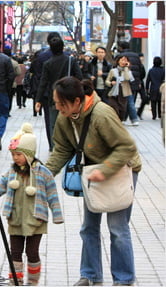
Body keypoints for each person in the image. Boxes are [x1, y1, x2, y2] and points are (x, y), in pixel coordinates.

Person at [45, 76, 141, 286]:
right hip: (93, 172)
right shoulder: (65, 117)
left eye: (61, 103)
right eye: (56, 102)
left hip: (120, 170)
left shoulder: (102, 114)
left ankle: (123, 279)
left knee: (117, 228)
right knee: (89, 226)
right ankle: (90, 275)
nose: (57, 107)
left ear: (77, 101)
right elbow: (61, 149)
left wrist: (105, 170)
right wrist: (44, 174)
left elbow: (127, 147)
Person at [0, 123, 63, 286]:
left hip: (37, 219)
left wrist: (57, 215)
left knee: (32, 252)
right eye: (13, 154)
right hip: (16, 218)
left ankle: (33, 281)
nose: (15, 158)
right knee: (15, 252)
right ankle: (15, 280)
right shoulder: (12, 173)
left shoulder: (43, 172)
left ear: (29, 154)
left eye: (18, 154)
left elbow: (52, 194)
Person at [35, 36, 82, 151]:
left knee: (54, 124)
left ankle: (55, 147)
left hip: (55, 98)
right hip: (70, 97)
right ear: (63, 47)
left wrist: (38, 100)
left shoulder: (48, 63)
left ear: (51, 48)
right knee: (71, 122)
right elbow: (79, 77)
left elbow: (43, 83)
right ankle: (70, 146)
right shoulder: (71, 60)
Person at [105, 55, 138, 125]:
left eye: (125, 60)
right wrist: (111, 83)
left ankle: (120, 121)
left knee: (122, 109)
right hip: (113, 92)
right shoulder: (113, 70)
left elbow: (127, 78)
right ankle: (115, 122)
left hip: (123, 92)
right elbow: (107, 81)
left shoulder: (128, 71)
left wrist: (126, 68)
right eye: (122, 60)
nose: (123, 61)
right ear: (118, 61)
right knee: (114, 108)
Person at [3, 48, 20, 116]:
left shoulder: (1, 61)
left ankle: (3, 110)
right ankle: (8, 110)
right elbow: (19, 72)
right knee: (10, 98)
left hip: (2, 83)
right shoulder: (15, 62)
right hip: (12, 83)